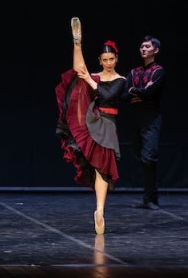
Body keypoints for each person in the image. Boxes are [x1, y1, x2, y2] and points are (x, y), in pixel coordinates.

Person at [55, 17, 127, 235]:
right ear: (100, 60)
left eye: (111, 59)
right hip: (91, 121)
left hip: (107, 125)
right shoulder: (94, 76)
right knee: (78, 76)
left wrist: (89, 80)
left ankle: (99, 211)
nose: (108, 63)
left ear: (116, 59)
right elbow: (80, 72)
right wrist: (78, 47)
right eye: (105, 59)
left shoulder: (121, 80)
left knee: (102, 168)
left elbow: (107, 95)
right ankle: (77, 42)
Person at [125, 33, 165, 210]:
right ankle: (147, 198)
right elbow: (124, 95)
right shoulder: (134, 72)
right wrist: (138, 90)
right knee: (140, 157)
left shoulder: (158, 71)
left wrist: (135, 91)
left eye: (147, 47)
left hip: (151, 118)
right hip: (136, 118)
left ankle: (151, 199)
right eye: (142, 46)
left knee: (149, 158)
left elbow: (151, 93)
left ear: (155, 50)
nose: (143, 49)